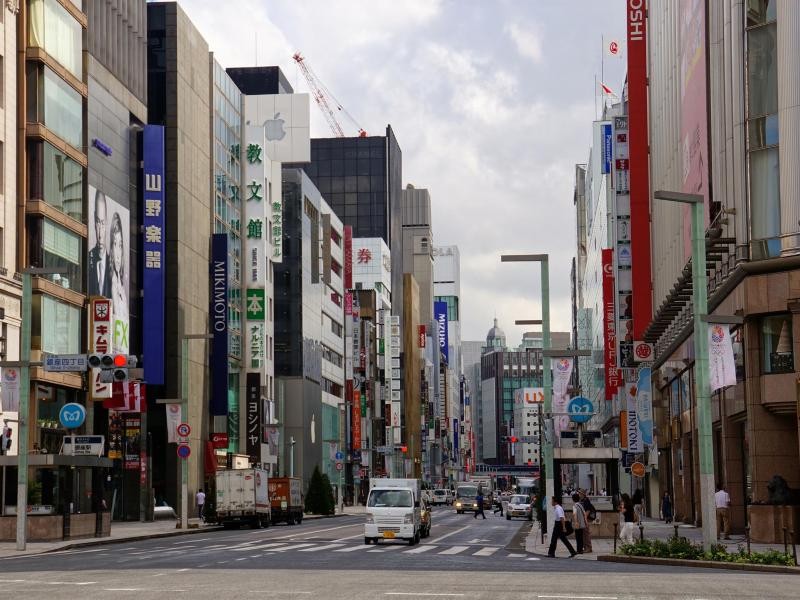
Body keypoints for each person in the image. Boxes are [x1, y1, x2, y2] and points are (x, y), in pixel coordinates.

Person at [105, 212, 128, 329]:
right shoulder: (112, 282)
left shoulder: (121, 283)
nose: (118, 254)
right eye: (115, 244)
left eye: (120, 245)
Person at [88, 189, 111, 297]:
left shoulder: (113, 266)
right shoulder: (87, 260)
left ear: (107, 222)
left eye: (102, 223)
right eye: (98, 222)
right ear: (93, 220)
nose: (100, 232)